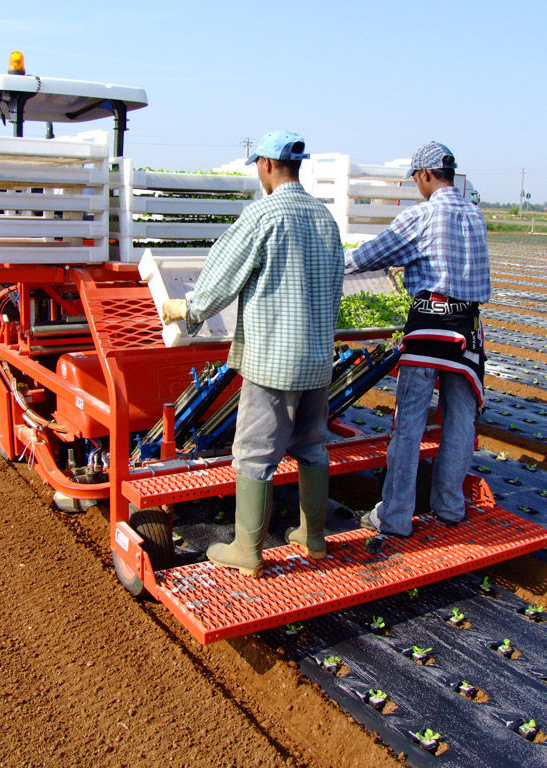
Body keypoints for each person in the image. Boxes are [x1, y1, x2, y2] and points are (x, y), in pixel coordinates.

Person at [161, 130, 345, 577]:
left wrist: (189, 308)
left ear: (265, 165)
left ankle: (247, 549)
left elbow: (224, 271)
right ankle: (314, 537)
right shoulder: (324, 218)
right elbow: (336, 284)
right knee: (313, 446)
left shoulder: (264, 214)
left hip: (274, 362)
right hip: (319, 359)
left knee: (255, 452)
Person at [345, 140, 490, 537]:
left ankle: (394, 517)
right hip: (468, 330)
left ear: (425, 175)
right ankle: (450, 507)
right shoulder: (475, 216)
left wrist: (331, 265)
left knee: (408, 424)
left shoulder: (421, 216)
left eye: (416, 179)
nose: (416, 186)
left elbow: (370, 255)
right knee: (460, 422)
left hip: (430, 325)